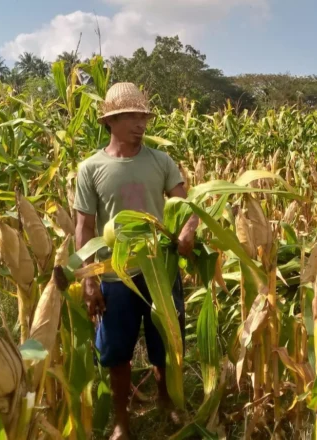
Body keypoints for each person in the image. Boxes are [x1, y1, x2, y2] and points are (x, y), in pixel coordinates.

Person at [74, 82, 199, 440]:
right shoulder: (91, 168)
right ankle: (121, 420)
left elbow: (187, 205)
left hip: (160, 272)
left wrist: (189, 230)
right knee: (116, 352)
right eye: (131, 116)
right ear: (110, 121)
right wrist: (88, 279)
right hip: (115, 276)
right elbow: (83, 226)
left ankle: (166, 399)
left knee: (166, 344)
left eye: (144, 117)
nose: (141, 124)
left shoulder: (160, 161)